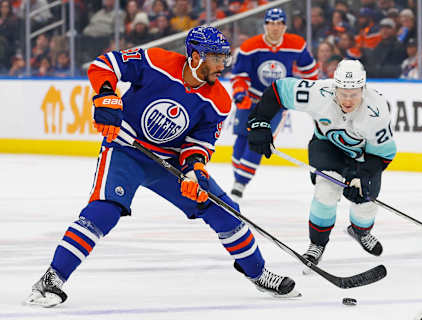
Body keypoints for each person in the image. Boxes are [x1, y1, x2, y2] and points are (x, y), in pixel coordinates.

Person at [24, 26, 298, 308]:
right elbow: (104, 64)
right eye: (216, 58)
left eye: (224, 58)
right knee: (104, 211)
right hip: (125, 150)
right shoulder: (156, 62)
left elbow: (199, 144)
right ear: (195, 57)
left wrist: (194, 171)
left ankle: (257, 272)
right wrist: (106, 95)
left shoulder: (219, 99)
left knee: (224, 211)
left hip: (170, 162)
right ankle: (52, 278)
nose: (222, 66)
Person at [246, 59, 396, 269]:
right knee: (326, 190)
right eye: (342, 93)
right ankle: (317, 244)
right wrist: (260, 121)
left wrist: (362, 176)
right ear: (334, 87)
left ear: (363, 89)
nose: (347, 100)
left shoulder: (376, 111)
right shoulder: (319, 93)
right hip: (326, 147)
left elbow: (382, 155)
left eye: (353, 94)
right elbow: (278, 90)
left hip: (363, 157)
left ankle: (360, 231)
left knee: (366, 201)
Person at [230, 8, 318, 200]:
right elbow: (239, 75)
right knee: (243, 138)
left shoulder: (296, 44)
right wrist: (240, 95)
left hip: (277, 102)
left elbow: (311, 73)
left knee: (259, 141)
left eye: (279, 23)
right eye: (271, 23)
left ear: (285, 26)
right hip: (251, 99)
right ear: (265, 25)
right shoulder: (250, 46)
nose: (275, 27)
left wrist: (309, 92)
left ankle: (239, 185)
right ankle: (238, 176)